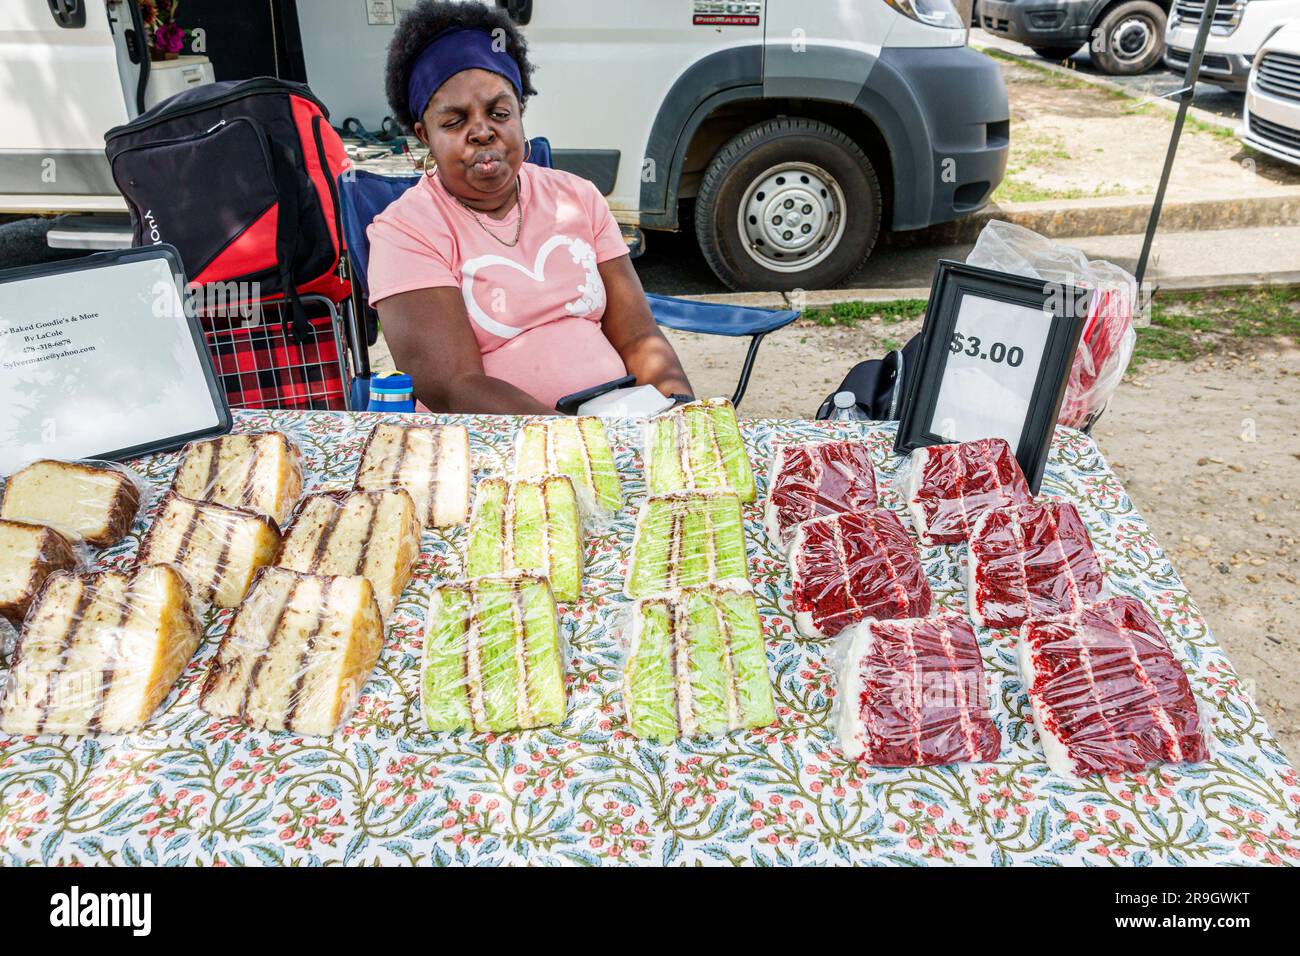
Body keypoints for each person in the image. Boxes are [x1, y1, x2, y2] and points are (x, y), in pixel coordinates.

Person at [368, 0, 694, 415]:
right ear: (424, 136)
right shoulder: (405, 231)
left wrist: (683, 413)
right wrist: (576, 443)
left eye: (499, 112)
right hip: (498, 449)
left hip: (616, 422)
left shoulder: (578, 197)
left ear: (520, 112)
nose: (482, 131)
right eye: (454, 122)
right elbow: (452, 386)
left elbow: (639, 338)